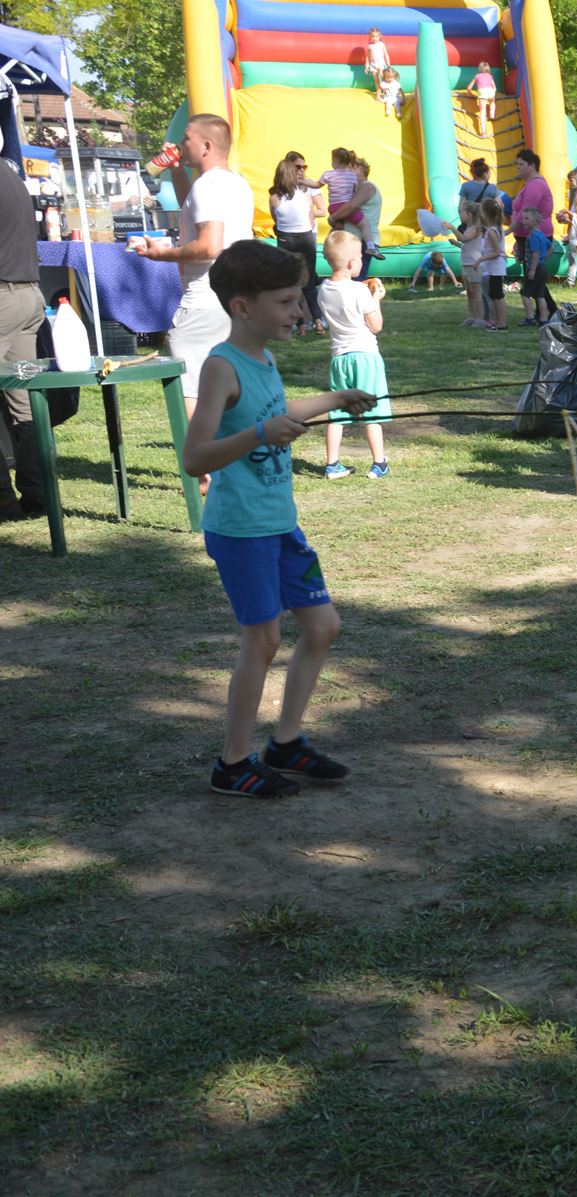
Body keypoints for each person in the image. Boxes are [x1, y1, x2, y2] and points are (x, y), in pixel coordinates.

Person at [179, 239, 377, 798]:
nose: (298, 311)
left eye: (298, 299)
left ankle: (285, 744)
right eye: (286, 302)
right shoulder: (222, 366)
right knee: (263, 640)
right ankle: (232, 763)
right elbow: (195, 458)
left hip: (280, 524)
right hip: (241, 529)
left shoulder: (264, 358)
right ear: (243, 307)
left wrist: (335, 398)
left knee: (322, 626)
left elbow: (275, 413)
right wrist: (258, 436)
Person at [133, 113, 256, 487]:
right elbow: (193, 207)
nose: (179, 142)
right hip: (236, 301)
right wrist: (175, 169)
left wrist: (160, 255)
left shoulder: (209, 187)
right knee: (230, 387)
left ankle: (207, 476)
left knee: (188, 391)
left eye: (186, 137)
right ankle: (234, 468)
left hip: (204, 303)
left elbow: (209, 246)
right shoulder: (234, 184)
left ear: (206, 145)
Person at [316, 230, 393, 479]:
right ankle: (379, 463)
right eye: (360, 257)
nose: (361, 261)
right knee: (372, 411)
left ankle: (332, 465)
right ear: (352, 262)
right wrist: (376, 299)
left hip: (339, 358)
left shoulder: (323, 289)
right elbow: (376, 326)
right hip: (366, 356)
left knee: (337, 412)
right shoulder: (360, 292)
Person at [0, 156, 47, 522]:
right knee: (26, 401)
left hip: (5, 299)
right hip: (28, 298)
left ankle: (3, 498)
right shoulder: (9, 172)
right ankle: (38, 490)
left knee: (25, 399)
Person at [268, 155, 328, 335]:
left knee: (292, 282)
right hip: (306, 239)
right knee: (308, 282)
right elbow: (310, 221)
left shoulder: (274, 198)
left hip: (286, 241)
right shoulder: (306, 197)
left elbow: (276, 220)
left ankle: (301, 324)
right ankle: (318, 321)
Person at [328, 157, 383, 282]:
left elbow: (351, 206)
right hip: (353, 238)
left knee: (356, 278)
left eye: (350, 168)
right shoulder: (353, 189)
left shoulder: (367, 186)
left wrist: (332, 218)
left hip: (362, 239)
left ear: (361, 169)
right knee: (347, 278)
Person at [511, 148, 552, 266]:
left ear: (532, 166)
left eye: (521, 164)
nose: (518, 167)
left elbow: (526, 210)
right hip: (527, 235)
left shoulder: (536, 184)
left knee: (533, 271)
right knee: (531, 271)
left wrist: (509, 230)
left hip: (532, 236)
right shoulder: (531, 184)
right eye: (517, 164)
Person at [516, 208, 552, 326]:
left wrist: (532, 269)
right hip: (542, 267)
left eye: (527, 219)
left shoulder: (533, 236)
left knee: (525, 293)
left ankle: (530, 317)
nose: (524, 221)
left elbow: (536, 253)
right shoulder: (541, 234)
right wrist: (543, 260)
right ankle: (543, 319)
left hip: (534, 268)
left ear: (536, 221)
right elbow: (551, 248)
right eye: (523, 218)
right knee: (540, 295)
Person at [477, 195, 508, 330]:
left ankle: (502, 323)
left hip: (496, 266)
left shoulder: (492, 232)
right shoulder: (495, 229)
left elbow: (497, 252)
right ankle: (498, 321)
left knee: (498, 295)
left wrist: (481, 259)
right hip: (494, 267)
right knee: (493, 295)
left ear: (485, 213)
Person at [456, 200, 487, 326]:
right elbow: (466, 245)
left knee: (475, 292)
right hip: (466, 264)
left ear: (469, 215)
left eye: (461, 212)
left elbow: (464, 239)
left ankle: (479, 318)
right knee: (469, 293)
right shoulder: (469, 228)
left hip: (474, 264)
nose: (460, 214)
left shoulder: (475, 228)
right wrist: (456, 243)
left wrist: (452, 228)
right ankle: (472, 317)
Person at [470, 61, 496, 133]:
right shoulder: (490, 76)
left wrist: (470, 94)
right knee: (492, 103)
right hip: (490, 90)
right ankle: (492, 113)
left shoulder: (477, 76)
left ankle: (483, 130)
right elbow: (495, 88)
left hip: (482, 91)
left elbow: (469, 88)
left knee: (482, 111)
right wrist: (493, 95)